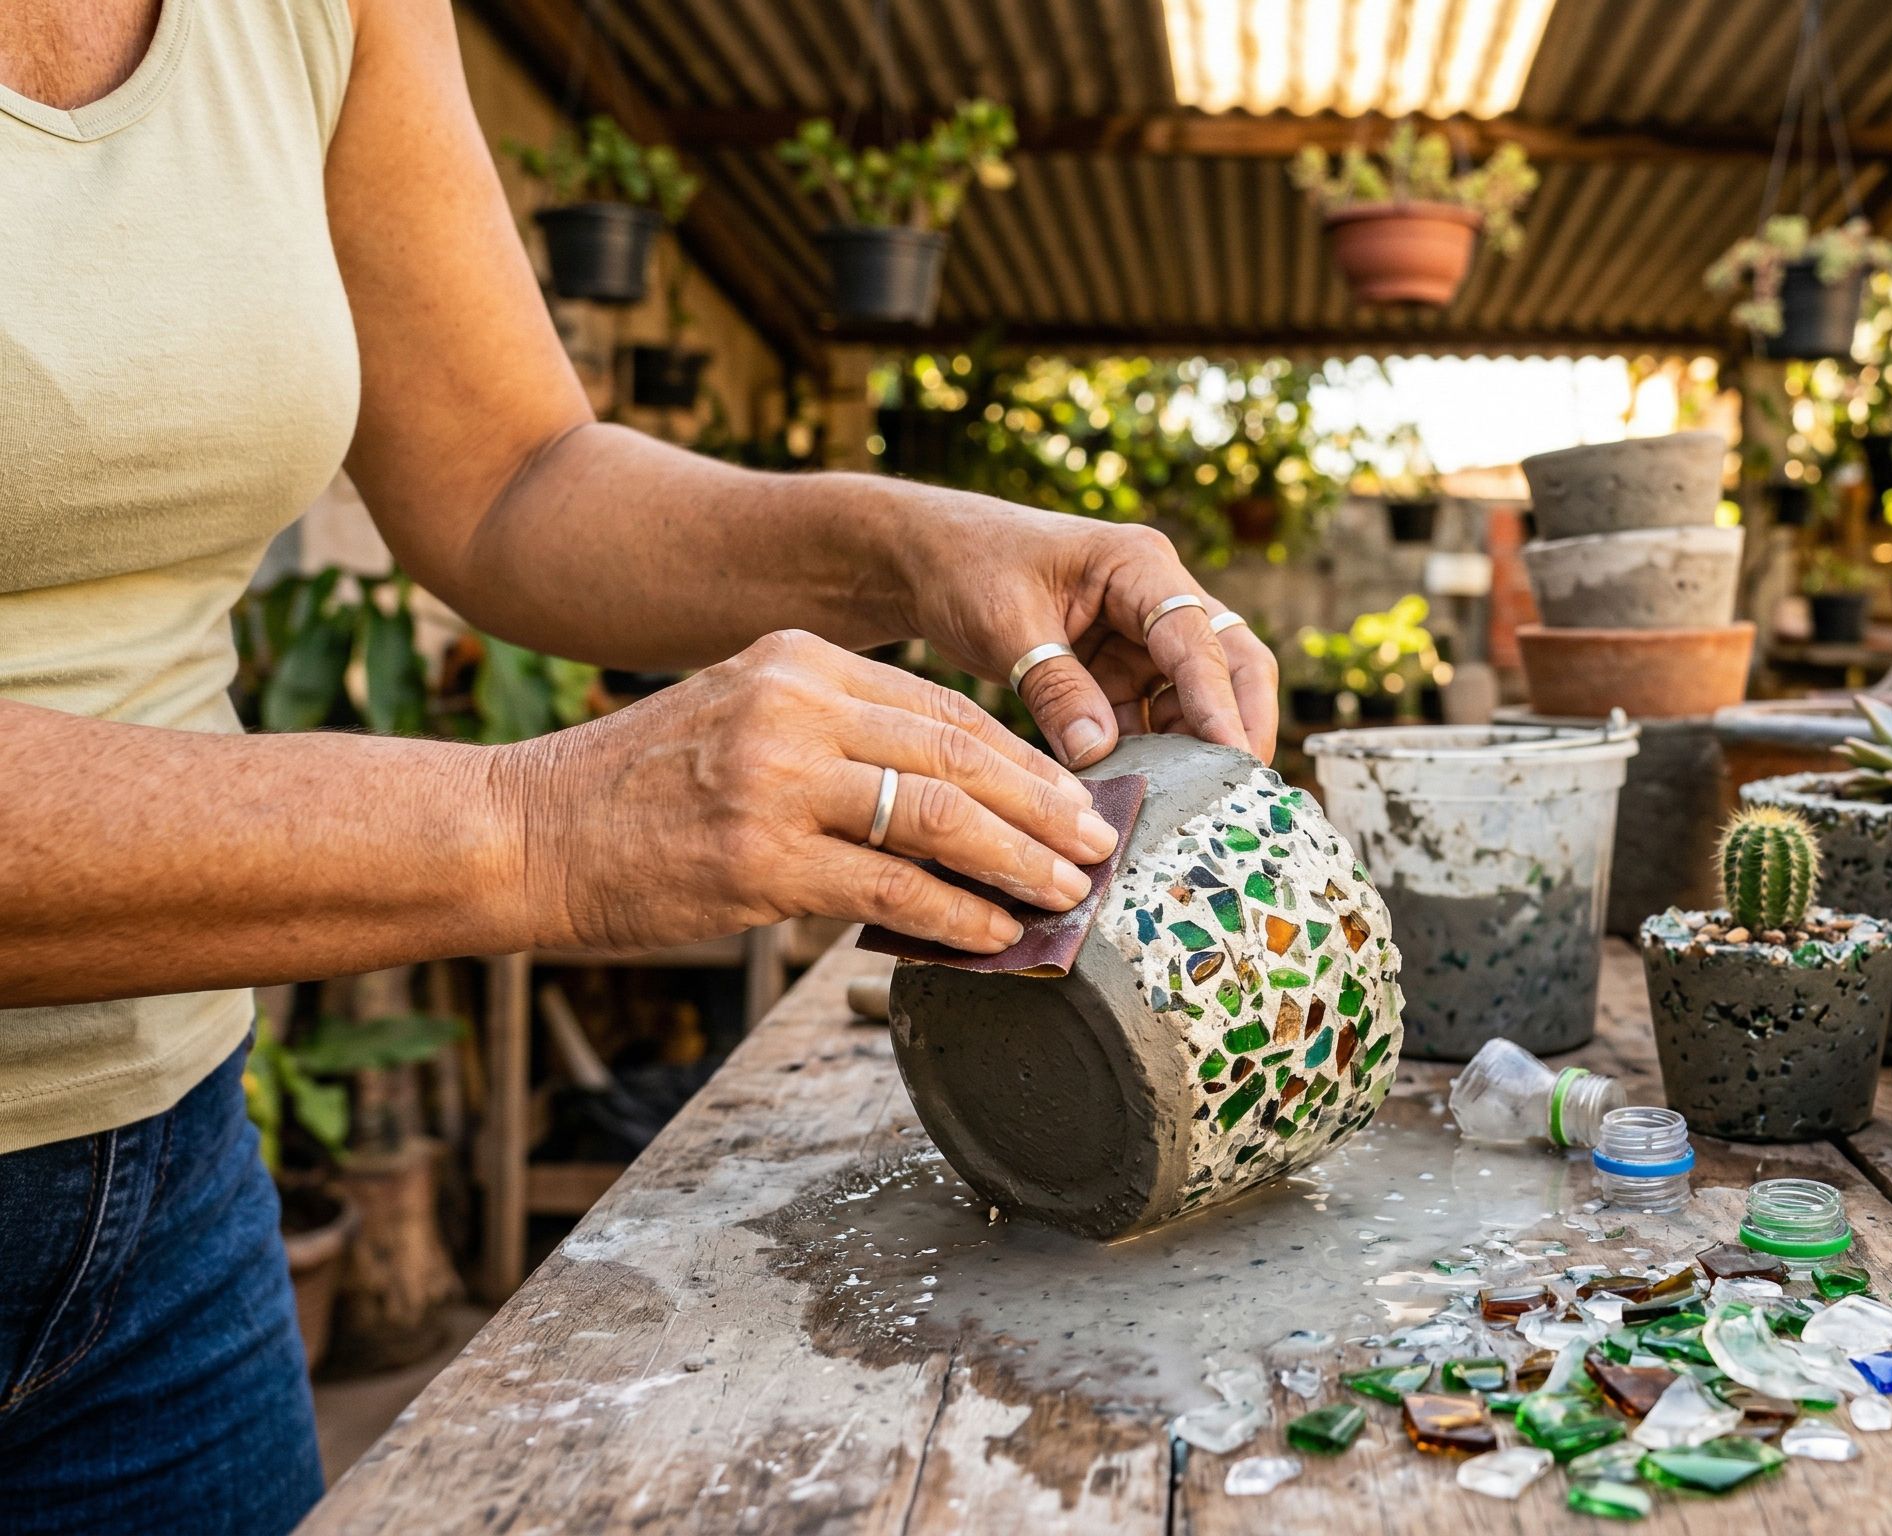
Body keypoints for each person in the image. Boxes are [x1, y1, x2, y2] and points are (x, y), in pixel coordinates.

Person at [0, 0, 1277, 1528]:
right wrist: (542, 827)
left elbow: (509, 477)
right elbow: (537, 808)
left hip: (165, 1178)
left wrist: (921, 545)